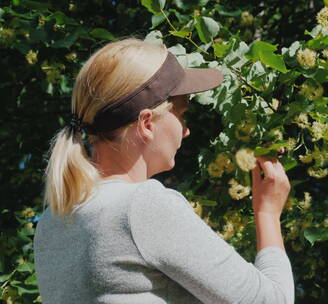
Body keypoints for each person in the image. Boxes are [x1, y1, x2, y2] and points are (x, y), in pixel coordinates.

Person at [33, 38, 294, 303]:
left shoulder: (51, 223)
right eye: (181, 114)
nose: (186, 129)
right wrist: (267, 212)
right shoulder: (142, 206)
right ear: (147, 123)